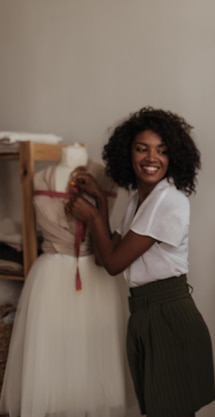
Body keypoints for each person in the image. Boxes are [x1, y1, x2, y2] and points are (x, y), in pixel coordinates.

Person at [65, 107, 215, 417]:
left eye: (162, 151)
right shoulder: (137, 198)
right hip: (144, 314)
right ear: (128, 152)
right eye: (142, 148)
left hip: (168, 315)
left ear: (173, 156)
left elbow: (113, 263)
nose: (152, 158)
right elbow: (107, 252)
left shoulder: (169, 201)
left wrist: (93, 214)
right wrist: (101, 204)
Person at [0, 144, 137, 417]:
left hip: (97, 273)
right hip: (52, 274)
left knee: (97, 353)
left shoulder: (105, 178)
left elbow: (110, 238)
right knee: (53, 357)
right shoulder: (39, 178)